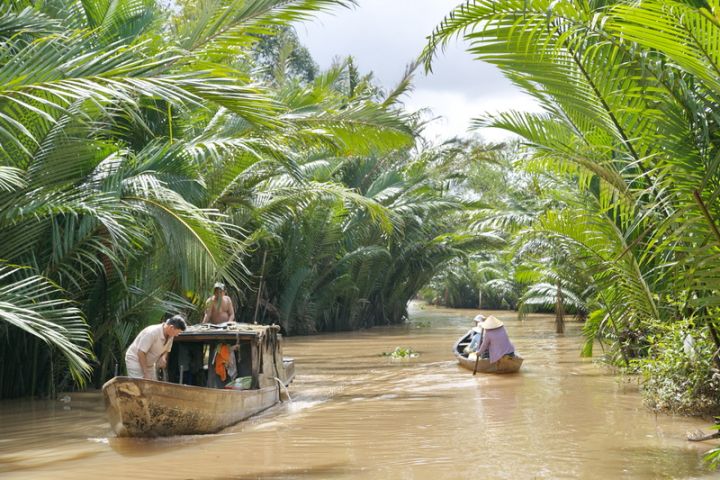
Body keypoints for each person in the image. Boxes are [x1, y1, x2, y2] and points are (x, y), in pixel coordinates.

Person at [125, 315, 187, 380]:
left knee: (152, 385)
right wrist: (146, 373)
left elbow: (166, 350)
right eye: (178, 332)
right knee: (140, 386)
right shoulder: (151, 332)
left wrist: (163, 357)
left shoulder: (171, 335)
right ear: (171, 327)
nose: (177, 335)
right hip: (135, 360)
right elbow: (141, 353)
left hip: (149, 363)